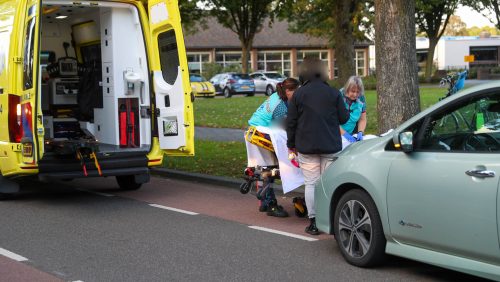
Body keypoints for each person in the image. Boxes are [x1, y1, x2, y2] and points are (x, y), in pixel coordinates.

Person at [286, 57, 349, 235]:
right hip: (330, 144)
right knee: (328, 183)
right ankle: (329, 220)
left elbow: (291, 123)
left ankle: (313, 222)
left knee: (311, 184)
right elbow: (344, 119)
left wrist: (291, 145)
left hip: (306, 145)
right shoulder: (334, 93)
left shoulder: (298, 94)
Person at [247, 77, 300, 217]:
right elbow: (286, 126)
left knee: (265, 166)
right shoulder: (280, 105)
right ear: (288, 91)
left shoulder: (278, 95)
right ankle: (270, 204)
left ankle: (265, 202)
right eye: (296, 91)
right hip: (262, 132)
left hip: (256, 129)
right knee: (271, 167)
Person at [339, 76, 367, 146]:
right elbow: (332, 121)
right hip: (336, 135)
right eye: (353, 91)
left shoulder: (361, 98)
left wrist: (360, 132)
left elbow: (362, 119)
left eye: (358, 92)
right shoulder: (339, 96)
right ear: (347, 89)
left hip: (352, 133)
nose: (355, 95)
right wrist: (344, 134)